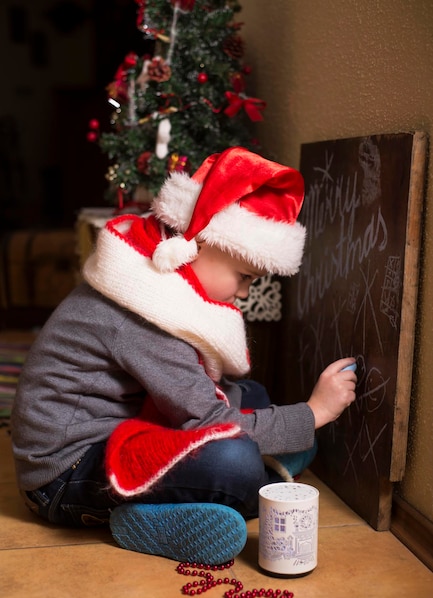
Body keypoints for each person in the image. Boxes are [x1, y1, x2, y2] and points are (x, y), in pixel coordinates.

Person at [11, 146, 357, 566]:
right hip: (63, 476)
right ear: (194, 246)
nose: (244, 293)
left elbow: (205, 393)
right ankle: (147, 516)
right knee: (235, 463)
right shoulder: (144, 310)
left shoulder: (153, 272)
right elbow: (211, 421)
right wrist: (313, 413)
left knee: (253, 395)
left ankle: (222, 489)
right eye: (243, 277)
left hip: (116, 429)